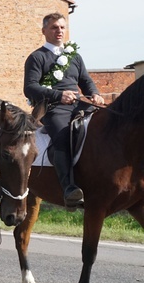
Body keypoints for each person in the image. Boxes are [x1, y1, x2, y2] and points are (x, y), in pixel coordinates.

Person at [24, 12, 104, 208]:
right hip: (53, 108)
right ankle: (69, 188)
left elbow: (86, 81)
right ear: (44, 31)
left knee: (105, 125)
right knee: (61, 135)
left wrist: (94, 93)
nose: (59, 31)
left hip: (79, 104)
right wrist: (58, 96)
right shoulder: (37, 57)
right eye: (54, 27)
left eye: (62, 27)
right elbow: (30, 87)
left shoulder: (74, 56)